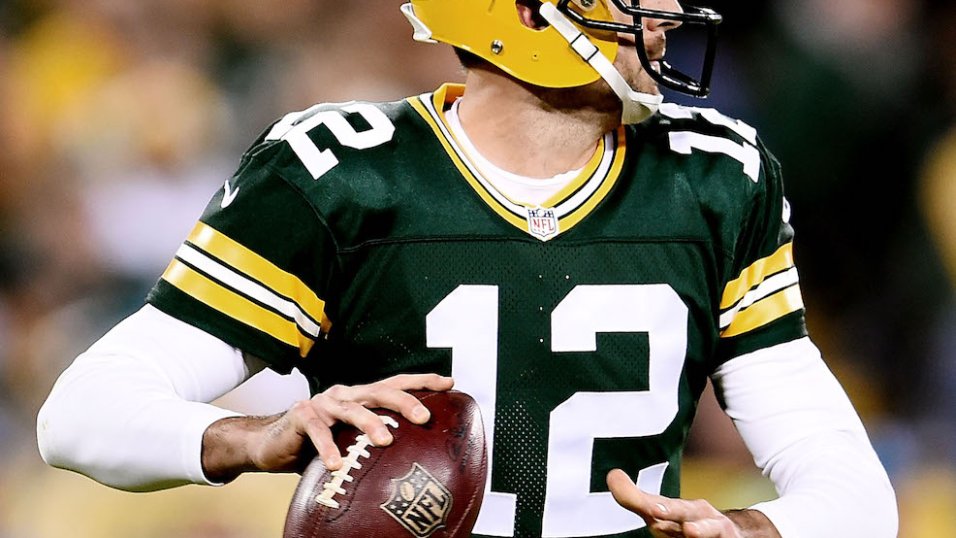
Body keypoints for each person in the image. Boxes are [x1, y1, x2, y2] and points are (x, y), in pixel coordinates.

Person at [37, 1, 899, 536]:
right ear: (527, 13)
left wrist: (752, 529)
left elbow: (857, 496)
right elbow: (79, 415)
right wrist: (251, 438)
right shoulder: (342, 174)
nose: (667, 11)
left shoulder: (717, 175)